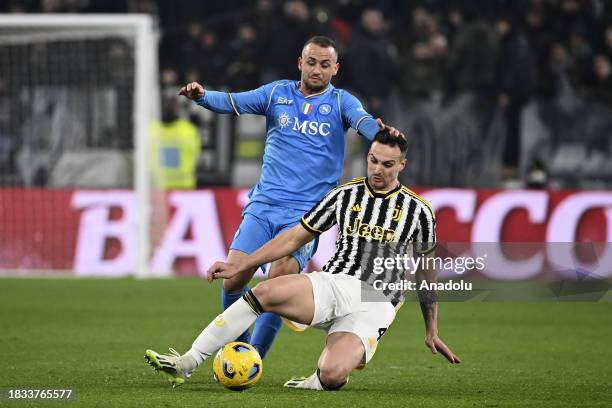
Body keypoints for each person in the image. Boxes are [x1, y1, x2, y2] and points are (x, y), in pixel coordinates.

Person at [144, 129, 460, 390]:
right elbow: (296, 236)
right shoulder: (343, 195)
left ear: (402, 165)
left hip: (376, 301)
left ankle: (324, 374)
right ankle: (188, 361)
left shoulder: (420, 211)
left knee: (332, 375)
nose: (378, 170)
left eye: (388, 164)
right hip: (335, 282)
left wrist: (431, 329)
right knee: (265, 292)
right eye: (374, 161)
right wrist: (243, 264)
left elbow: (424, 270)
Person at [177, 35, 402, 359]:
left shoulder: (341, 102)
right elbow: (232, 101)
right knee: (232, 281)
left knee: (278, 283)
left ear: (335, 68)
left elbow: (363, 121)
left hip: (305, 216)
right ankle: (239, 350)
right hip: (263, 205)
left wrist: (381, 135)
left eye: (325, 64)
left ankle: (254, 358)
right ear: (300, 62)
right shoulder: (276, 94)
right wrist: (201, 96)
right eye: (311, 62)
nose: (316, 69)